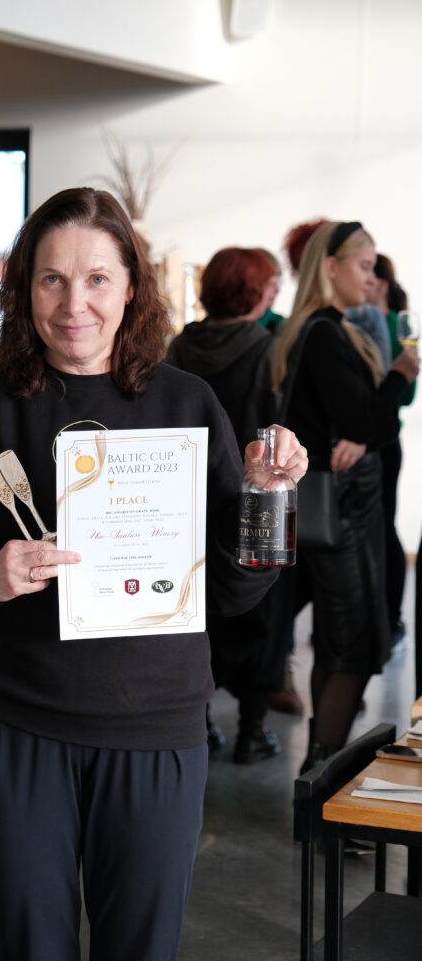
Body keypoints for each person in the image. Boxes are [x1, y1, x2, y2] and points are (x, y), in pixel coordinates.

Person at [0, 187, 307, 961]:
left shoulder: (186, 405)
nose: (74, 304)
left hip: (155, 728)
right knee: (30, 946)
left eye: (97, 278)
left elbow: (234, 591)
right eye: (52, 279)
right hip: (10, 723)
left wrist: (266, 500)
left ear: (131, 287)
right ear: (24, 289)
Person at [272, 220, 419, 773]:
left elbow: (359, 423)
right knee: (352, 645)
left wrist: (364, 427)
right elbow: (364, 419)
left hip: (341, 510)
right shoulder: (325, 333)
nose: (372, 277)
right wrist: (399, 374)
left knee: (340, 643)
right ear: (330, 267)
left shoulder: (325, 329)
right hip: (343, 513)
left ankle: (319, 772)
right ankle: (322, 778)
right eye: (364, 265)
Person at [167, 247, 295, 763]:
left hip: (185, 501)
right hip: (251, 498)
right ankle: (251, 730)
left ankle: (200, 722)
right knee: (262, 613)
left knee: (198, 612)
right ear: (256, 293)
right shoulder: (268, 348)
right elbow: (280, 426)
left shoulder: (179, 345)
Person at [370, 252, 416, 646]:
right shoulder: (356, 323)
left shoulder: (391, 325)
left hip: (382, 442)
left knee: (384, 528)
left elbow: (407, 394)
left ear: (381, 283)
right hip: (368, 440)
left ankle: (392, 619)